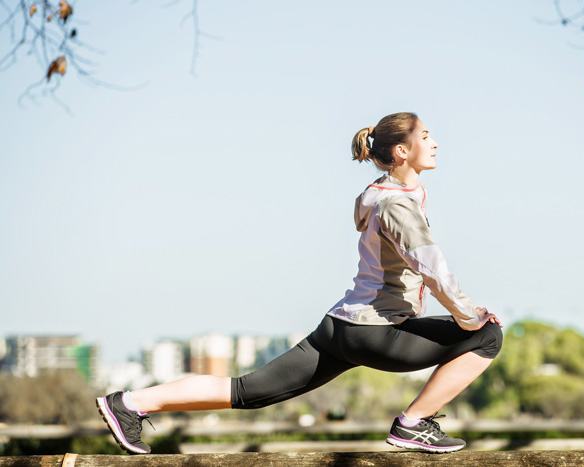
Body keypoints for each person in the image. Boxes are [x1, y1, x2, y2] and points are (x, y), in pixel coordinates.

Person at [96, 112, 503, 455]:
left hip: (340, 327)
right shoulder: (396, 204)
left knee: (247, 391)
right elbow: (432, 267)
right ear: (401, 151)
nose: (434, 143)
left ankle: (130, 403)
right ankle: (413, 423)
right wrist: (470, 317)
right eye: (426, 137)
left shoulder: (384, 195)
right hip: (376, 330)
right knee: (487, 338)